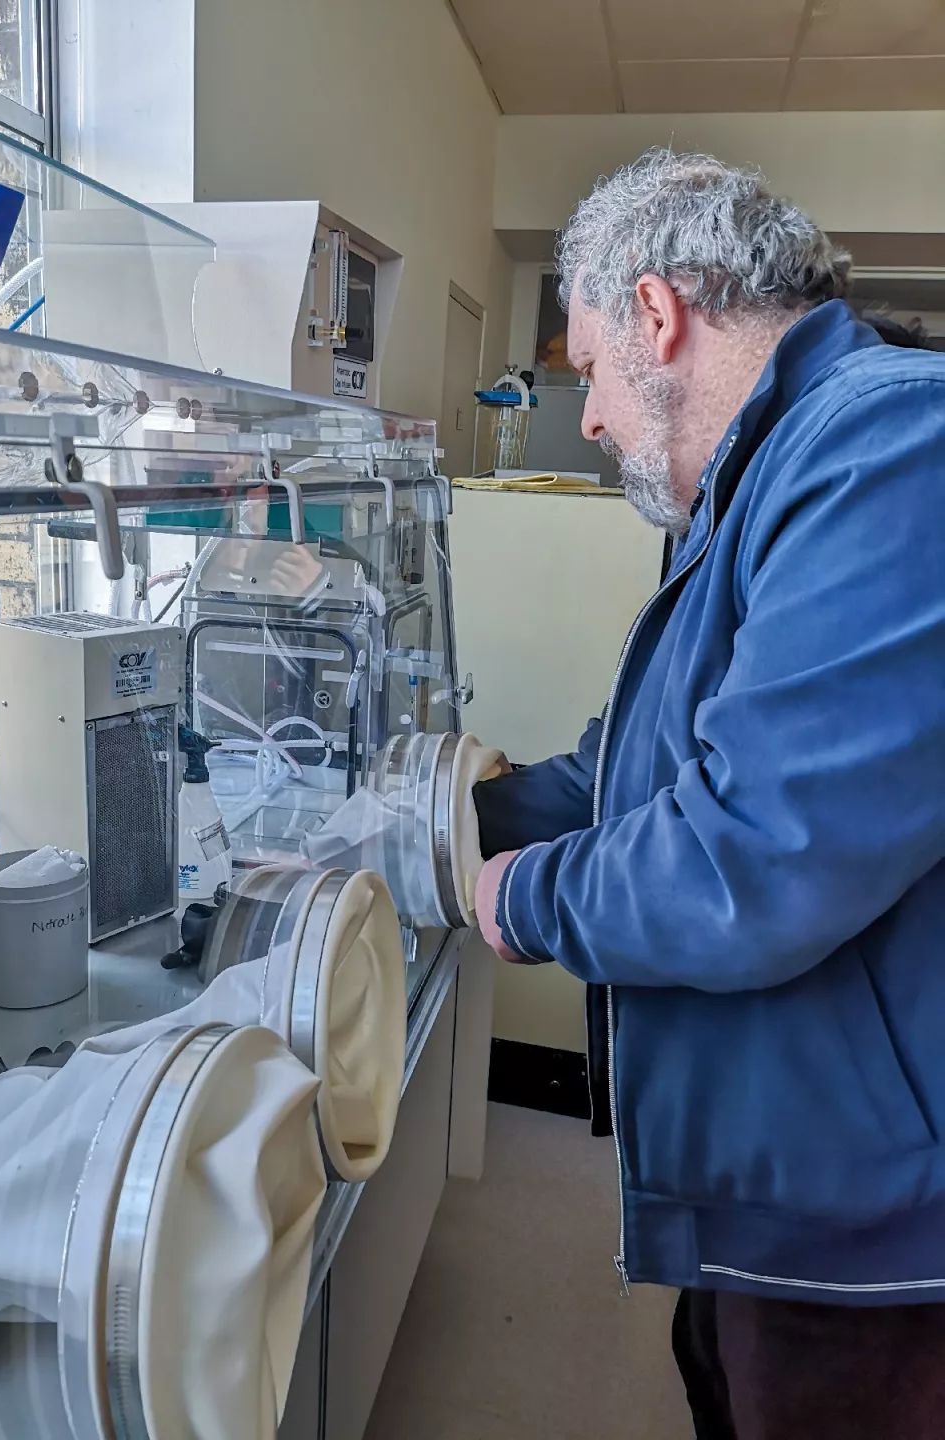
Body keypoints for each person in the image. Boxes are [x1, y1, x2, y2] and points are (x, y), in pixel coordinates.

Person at [471, 149, 945, 1440]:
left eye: (586, 369)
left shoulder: (886, 443)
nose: (588, 419)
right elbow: (631, 770)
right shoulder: (747, 485)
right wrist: (445, 823)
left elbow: (756, 848)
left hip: (875, 1232)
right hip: (773, 1176)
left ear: (658, 314)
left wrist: (527, 897)